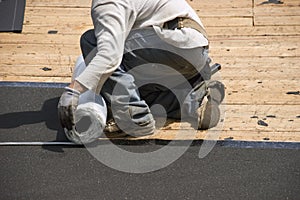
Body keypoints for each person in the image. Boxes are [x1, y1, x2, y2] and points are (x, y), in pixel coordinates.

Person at [58, 0, 225, 141]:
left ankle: (135, 120)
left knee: (92, 42)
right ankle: (193, 96)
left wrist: (73, 91)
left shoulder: (107, 3)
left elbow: (109, 57)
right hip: (196, 49)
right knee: (131, 89)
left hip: (172, 44)